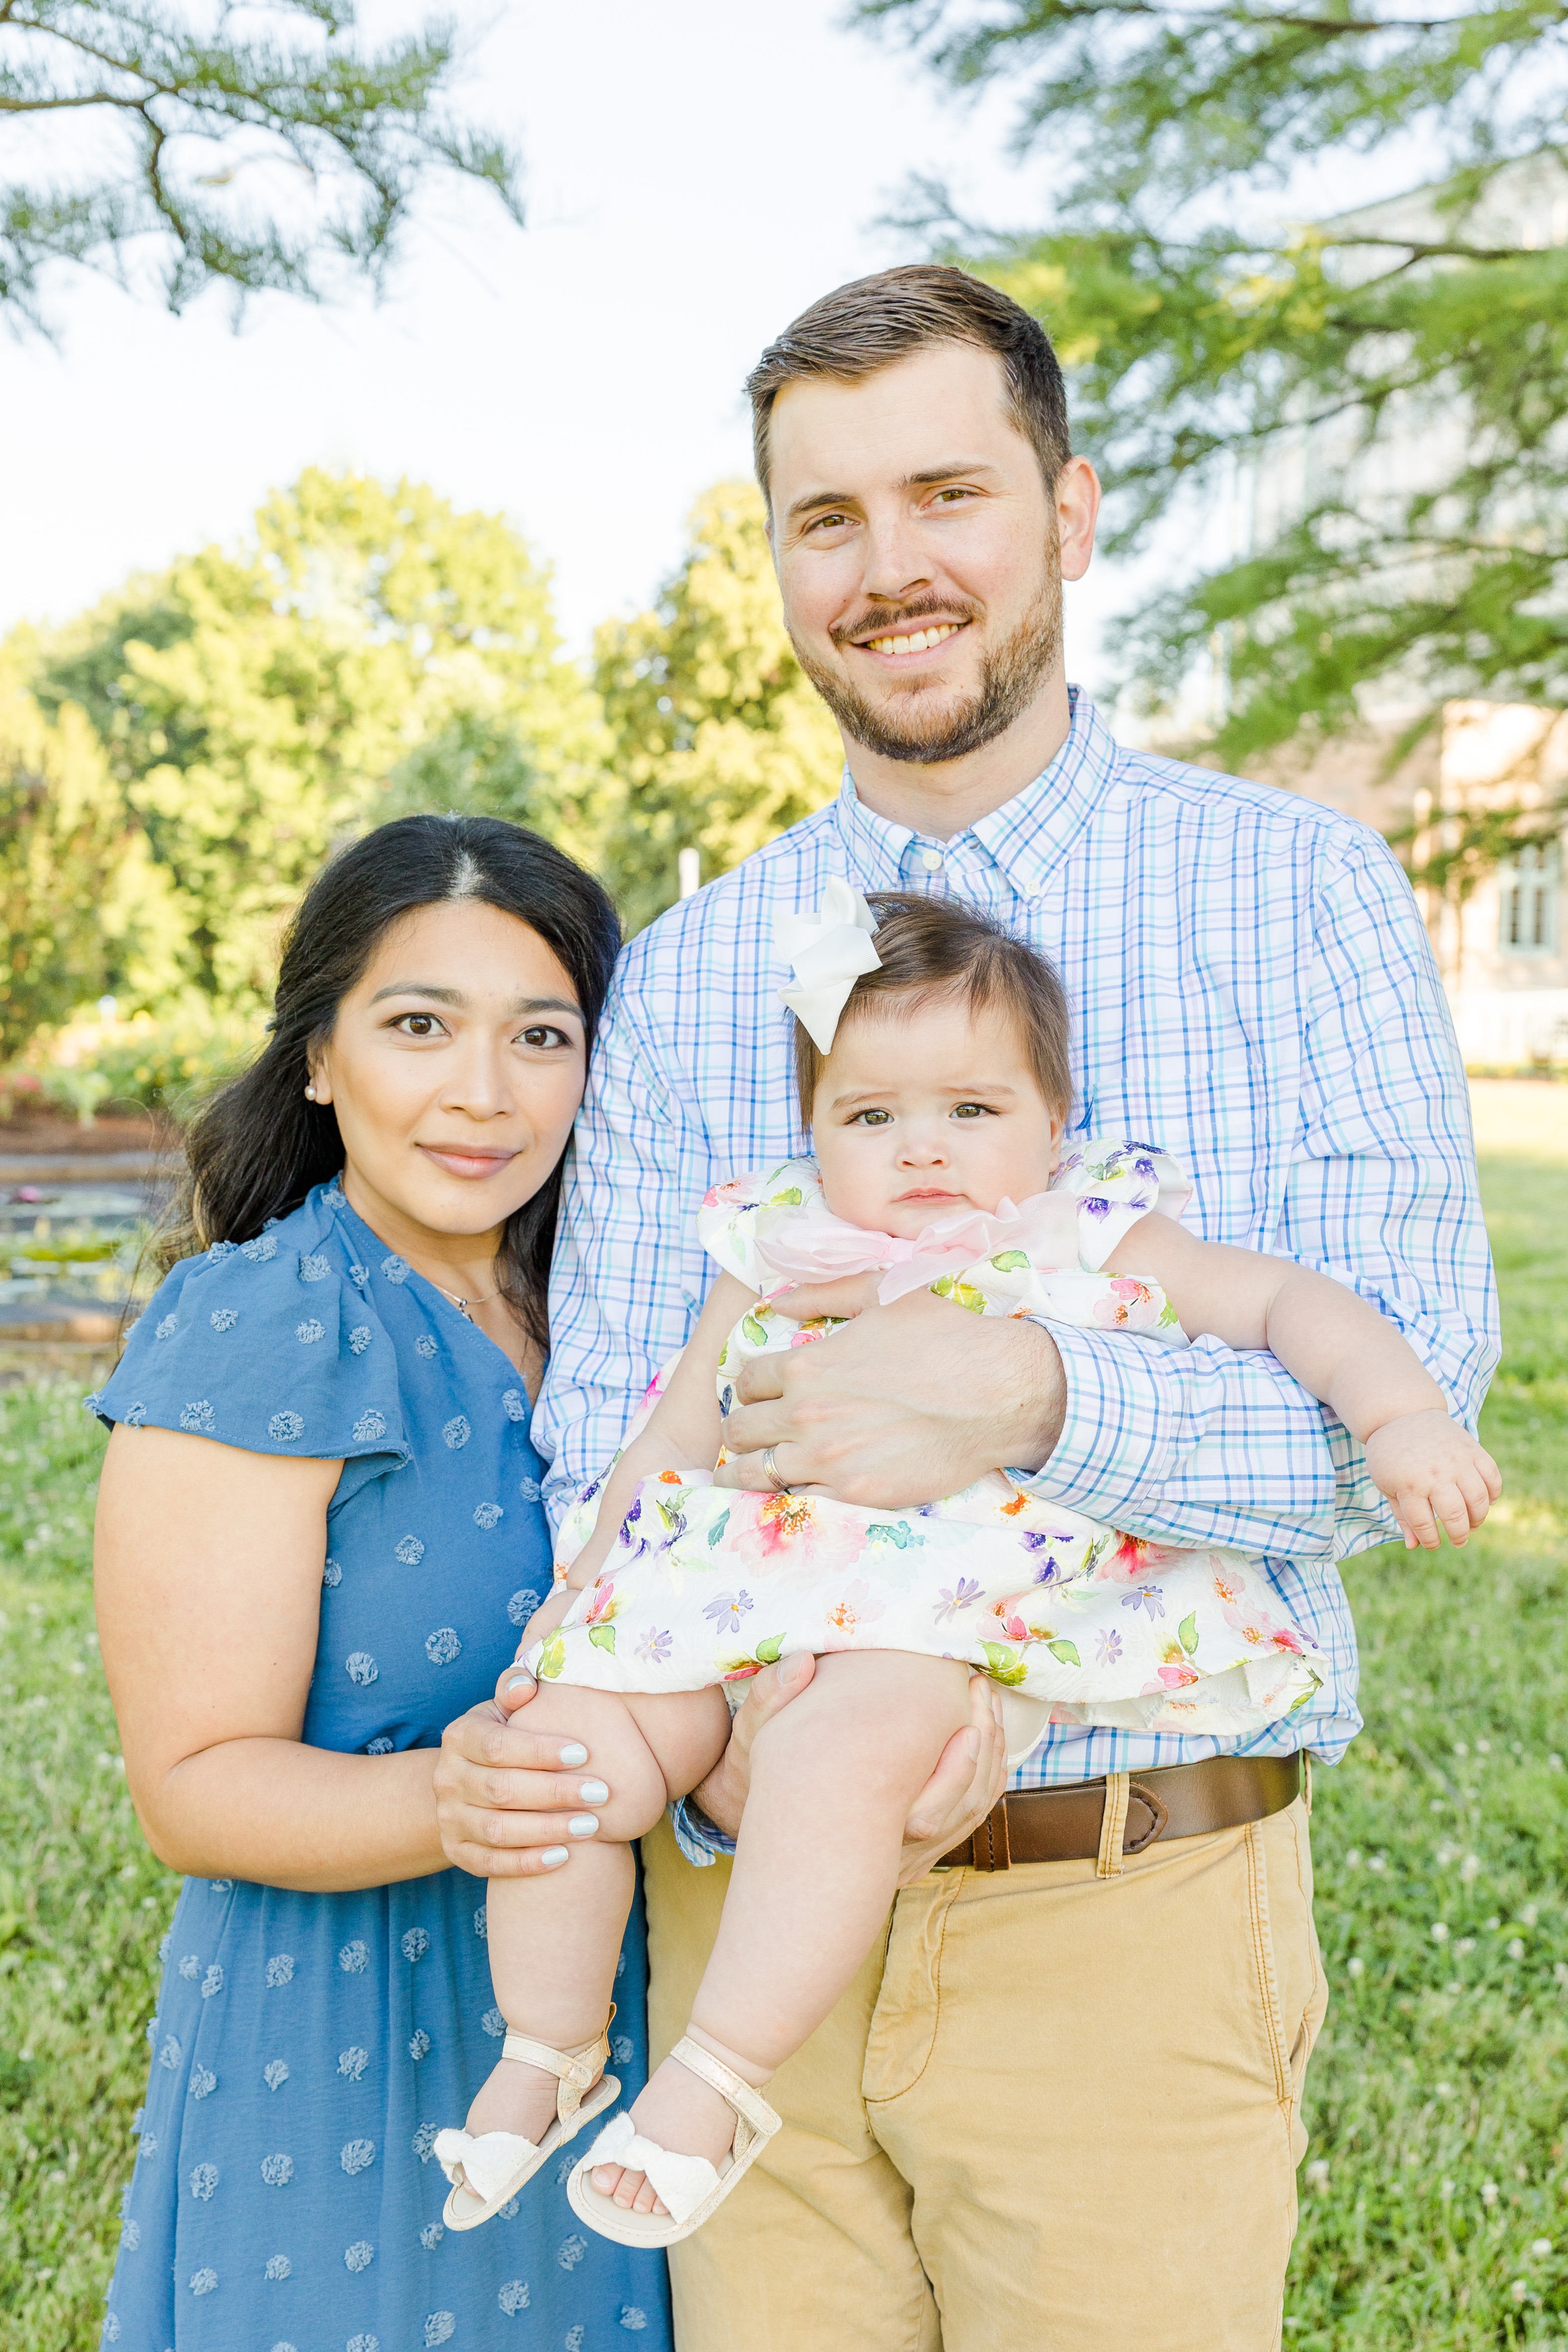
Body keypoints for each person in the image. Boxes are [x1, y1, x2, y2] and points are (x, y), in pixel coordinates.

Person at [444, 264, 1500, 2350]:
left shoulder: (1297, 895)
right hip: (735, 1894)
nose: (888, 566)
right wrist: (698, 1720)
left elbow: (1401, 1412)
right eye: (823, 518)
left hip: (1126, 1909)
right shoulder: (700, 959)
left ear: (1072, 512)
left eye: (947, 493)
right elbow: (615, 1426)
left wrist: (1027, 1390)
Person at [432, 889, 1496, 2247]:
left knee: (842, 1747)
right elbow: (670, 1429)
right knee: (563, 1745)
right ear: (815, 1135)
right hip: (737, 1589)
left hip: (938, 1624)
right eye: (869, 1118)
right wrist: (573, 1612)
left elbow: (1291, 1305)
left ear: (1054, 1126)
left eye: (970, 1113)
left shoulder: (1084, 1231)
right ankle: (549, 2046)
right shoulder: (779, 1241)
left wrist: (1397, 1416)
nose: (920, 1150)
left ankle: (713, 2079)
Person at [91, 817, 672, 2351]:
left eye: (541, 1035)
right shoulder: (265, 1320)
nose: (484, 1093)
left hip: (627, 2028)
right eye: (419, 1026)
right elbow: (193, 1786)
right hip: (351, 2048)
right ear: (319, 1059)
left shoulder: (620, 1312)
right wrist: (456, 1801)